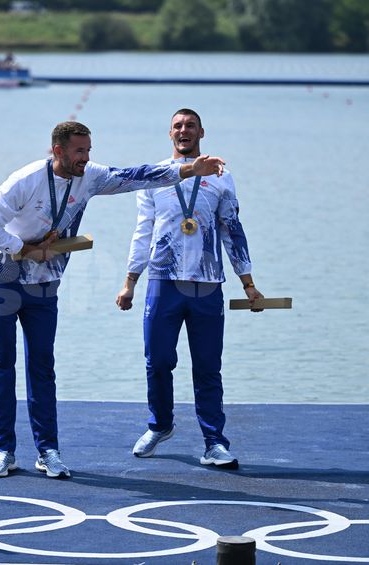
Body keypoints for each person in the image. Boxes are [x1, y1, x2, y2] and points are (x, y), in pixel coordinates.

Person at [0, 120, 224, 479]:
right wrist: (25, 249)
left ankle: (48, 451)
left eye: (89, 150)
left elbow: (136, 176)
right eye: (80, 151)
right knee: (0, 363)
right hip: (3, 276)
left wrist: (187, 170)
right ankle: (3, 451)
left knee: (42, 365)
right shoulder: (24, 180)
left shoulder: (89, 176)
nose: (86, 158)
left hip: (45, 280)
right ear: (58, 150)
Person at [115, 109, 263, 469]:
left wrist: (249, 283)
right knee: (159, 361)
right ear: (170, 134)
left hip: (207, 284)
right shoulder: (156, 176)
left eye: (190, 126)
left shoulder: (221, 178)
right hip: (163, 283)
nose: (184, 131)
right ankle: (160, 424)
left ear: (201, 133)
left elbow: (232, 230)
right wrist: (130, 281)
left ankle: (214, 443)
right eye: (178, 126)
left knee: (208, 367)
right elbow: (143, 230)